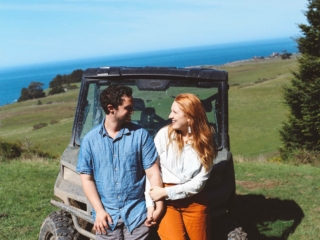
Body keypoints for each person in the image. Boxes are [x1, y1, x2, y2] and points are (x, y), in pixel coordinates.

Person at [76, 84, 164, 240]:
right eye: (128, 108)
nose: (132, 111)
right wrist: (99, 210)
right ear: (111, 108)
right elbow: (87, 178)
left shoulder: (141, 135)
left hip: (138, 216)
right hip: (105, 219)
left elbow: (153, 173)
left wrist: (158, 206)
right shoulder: (90, 141)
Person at [147, 93, 217, 240]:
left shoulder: (206, 140)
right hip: (166, 202)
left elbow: (198, 184)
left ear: (189, 117)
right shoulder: (163, 135)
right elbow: (151, 172)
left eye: (175, 112)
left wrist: (165, 192)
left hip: (194, 200)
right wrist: (151, 206)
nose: (169, 115)